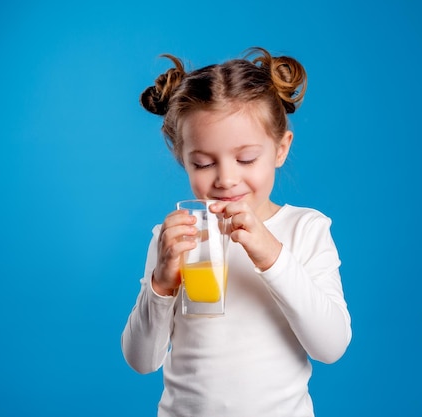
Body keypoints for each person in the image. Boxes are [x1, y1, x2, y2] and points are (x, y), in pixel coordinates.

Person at [121, 47, 352, 417]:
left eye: (246, 159)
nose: (226, 179)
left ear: (280, 149)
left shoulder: (304, 230)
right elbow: (141, 360)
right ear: (183, 158)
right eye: (203, 163)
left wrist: (271, 254)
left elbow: (331, 346)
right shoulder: (175, 238)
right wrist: (161, 282)